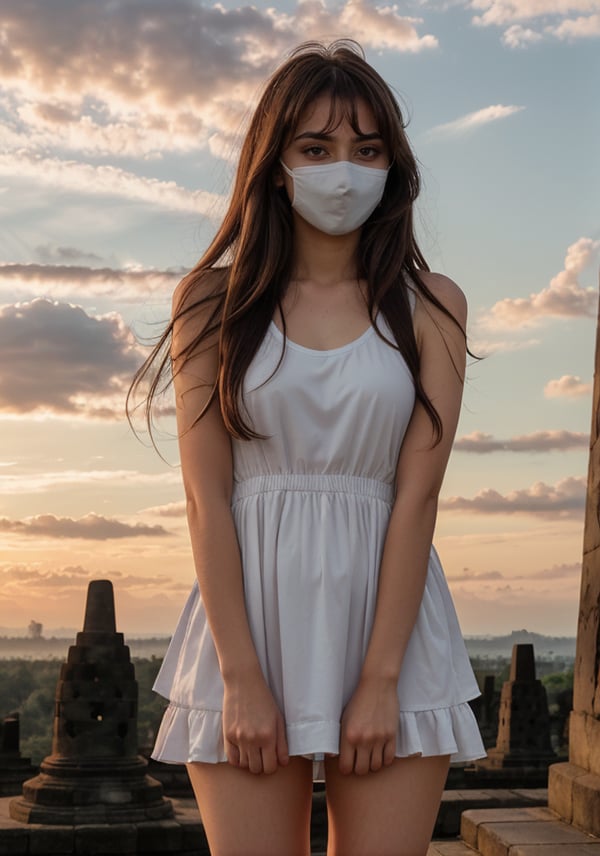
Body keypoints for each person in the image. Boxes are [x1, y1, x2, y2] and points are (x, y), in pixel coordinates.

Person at [130, 39, 485, 856]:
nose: (343, 171)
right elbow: (204, 498)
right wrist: (241, 676)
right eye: (316, 148)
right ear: (275, 162)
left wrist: (382, 678)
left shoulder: (433, 303)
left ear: (394, 165)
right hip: (246, 626)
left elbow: (416, 499)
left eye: (367, 150)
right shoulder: (212, 302)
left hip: (391, 629)